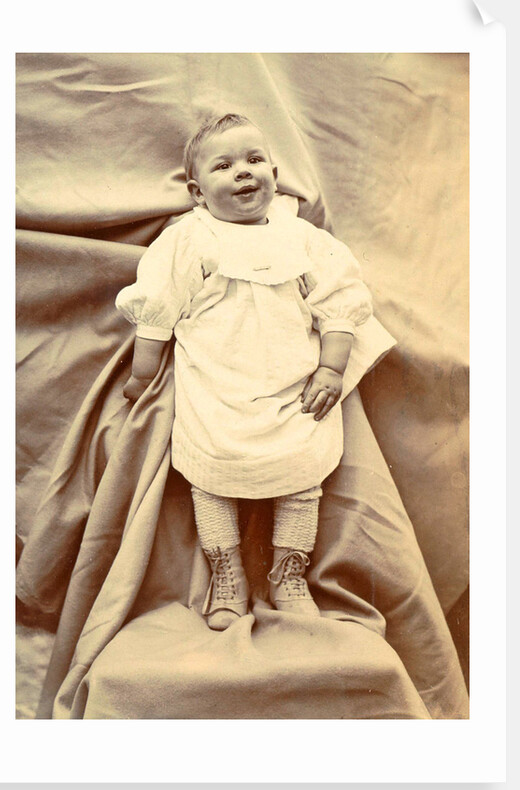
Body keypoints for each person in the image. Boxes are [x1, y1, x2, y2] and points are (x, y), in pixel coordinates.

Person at [116, 113, 377, 631]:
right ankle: (227, 572)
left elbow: (339, 303)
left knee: (303, 473)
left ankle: (288, 572)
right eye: (224, 165)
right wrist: (141, 377)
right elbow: (158, 312)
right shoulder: (190, 240)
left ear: (275, 173)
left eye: (255, 160)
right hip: (218, 388)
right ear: (197, 190)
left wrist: (330, 368)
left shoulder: (302, 238)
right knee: (211, 475)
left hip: (292, 386)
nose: (243, 172)